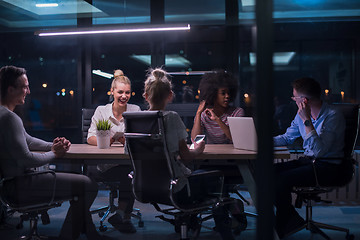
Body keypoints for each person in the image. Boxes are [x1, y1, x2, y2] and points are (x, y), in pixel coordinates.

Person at [0, 65, 114, 240]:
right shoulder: (9, 118)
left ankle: (88, 232)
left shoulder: (4, 115)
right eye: (24, 86)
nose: (28, 91)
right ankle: (68, 236)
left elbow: (28, 140)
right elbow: (27, 159)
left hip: (11, 186)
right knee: (87, 185)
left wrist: (53, 145)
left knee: (82, 185)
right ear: (10, 89)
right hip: (20, 186)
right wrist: (55, 153)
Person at [143, 67, 236, 240]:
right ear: (170, 95)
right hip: (175, 188)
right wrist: (198, 150)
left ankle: (191, 222)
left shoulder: (135, 120)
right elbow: (186, 156)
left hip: (146, 187)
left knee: (197, 175)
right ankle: (226, 233)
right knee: (216, 179)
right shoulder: (171, 118)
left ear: (145, 96)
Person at [273, 77, 348, 239]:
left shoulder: (332, 116)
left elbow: (318, 151)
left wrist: (307, 121)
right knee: (267, 172)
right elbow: (287, 138)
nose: (293, 101)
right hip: (309, 162)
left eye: (294, 97)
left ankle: (286, 221)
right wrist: (261, 142)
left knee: (281, 179)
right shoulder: (300, 115)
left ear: (304, 100)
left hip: (327, 167)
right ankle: (290, 217)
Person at [191, 69, 247, 234]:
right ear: (213, 94)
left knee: (215, 185)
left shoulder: (237, 112)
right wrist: (198, 113)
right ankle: (229, 212)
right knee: (199, 180)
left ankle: (224, 224)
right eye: (223, 93)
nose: (227, 97)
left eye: (229, 93)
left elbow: (235, 139)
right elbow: (196, 139)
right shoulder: (205, 115)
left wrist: (218, 120)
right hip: (213, 162)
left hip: (233, 164)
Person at [87, 69, 140, 234]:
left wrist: (127, 140)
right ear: (112, 92)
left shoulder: (135, 110)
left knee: (132, 173)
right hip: (106, 166)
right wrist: (108, 140)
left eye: (127, 92)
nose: (124, 96)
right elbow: (90, 138)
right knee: (131, 174)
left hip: (128, 162)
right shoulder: (101, 111)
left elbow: (140, 138)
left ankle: (122, 215)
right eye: (120, 92)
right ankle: (123, 216)